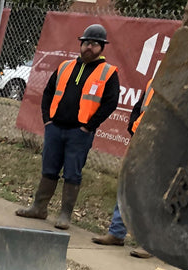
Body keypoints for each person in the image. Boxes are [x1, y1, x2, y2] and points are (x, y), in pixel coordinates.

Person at [16, 23, 120, 229]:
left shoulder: (108, 73)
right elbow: (47, 92)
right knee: (49, 168)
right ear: (81, 44)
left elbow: (110, 103)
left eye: (95, 44)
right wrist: (48, 119)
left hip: (79, 132)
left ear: (102, 48)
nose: (89, 47)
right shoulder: (65, 67)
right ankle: (39, 208)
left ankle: (65, 215)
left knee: (72, 172)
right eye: (86, 43)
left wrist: (88, 126)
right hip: (55, 128)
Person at [91, 78, 154, 258]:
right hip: (140, 138)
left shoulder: (187, 81)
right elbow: (140, 106)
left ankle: (149, 244)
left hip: (164, 144)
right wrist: (133, 125)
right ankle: (116, 233)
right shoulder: (154, 80)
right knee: (127, 185)